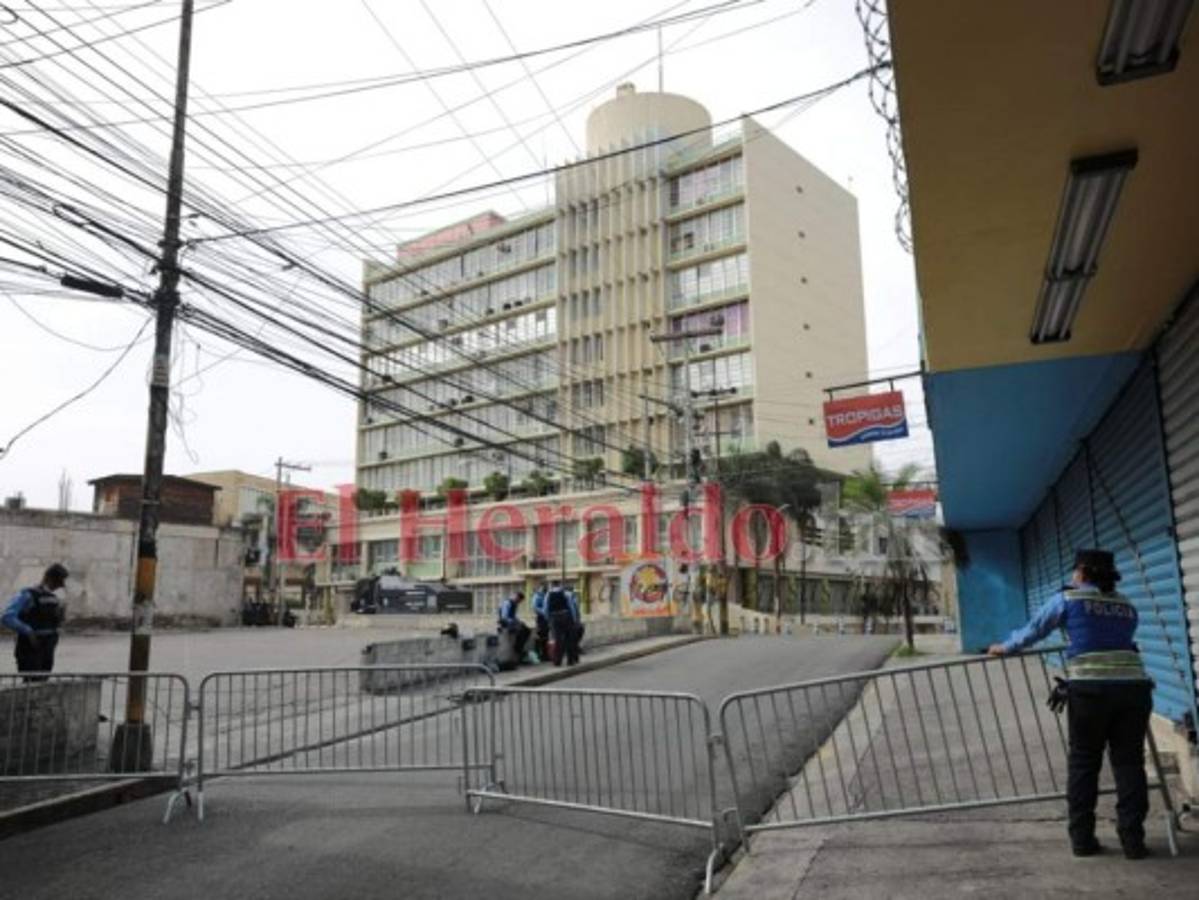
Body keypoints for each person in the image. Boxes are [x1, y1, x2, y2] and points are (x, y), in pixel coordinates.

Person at [988, 549, 1153, 860]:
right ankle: (1133, 842)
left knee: (1084, 763)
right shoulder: (1126, 604)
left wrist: (1005, 647)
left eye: (1075, 570)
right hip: (1134, 689)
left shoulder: (1068, 599)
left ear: (1082, 572)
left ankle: (1082, 840)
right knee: (1130, 764)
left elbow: (1035, 629)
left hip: (1090, 691)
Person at [3, 563, 69, 681]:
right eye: (58, 582)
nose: (60, 586)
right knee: (30, 684)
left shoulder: (54, 599)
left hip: (47, 650)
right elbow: (7, 617)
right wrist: (28, 631)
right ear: (49, 578)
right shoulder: (28, 595)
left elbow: (55, 623)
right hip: (30, 649)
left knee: (41, 683)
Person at [545, 581, 582, 667]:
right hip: (566, 616)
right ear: (560, 585)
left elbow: (545, 608)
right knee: (569, 639)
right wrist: (574, 620)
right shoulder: (566, 594)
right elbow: (571, 607)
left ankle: (557, 661)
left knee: (558, 640)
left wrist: (548, 619)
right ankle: (570, 660)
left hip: (554, 618)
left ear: (552, 585)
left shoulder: (548, 595)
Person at [496, 590, 531, 661]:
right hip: (505, 622)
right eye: (519, 600)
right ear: (516, 597)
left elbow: (513, 616)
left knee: (527, 630)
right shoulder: (507, 603)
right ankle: (518, 649)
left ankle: (519, 647)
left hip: (511, 622)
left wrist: (518, 621)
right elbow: (505, 617)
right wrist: (515, 622)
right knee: (520, 630)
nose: (519, 602)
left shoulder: (515, 604)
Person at [531, 582, 550, 662]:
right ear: (540, 588)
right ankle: (539, 654)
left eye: (546, 587)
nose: (545, 589)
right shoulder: (537, 596)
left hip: (546, 618)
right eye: (543, 587)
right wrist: (544, 612)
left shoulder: (546, 595)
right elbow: (535, 607)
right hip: (541, 618)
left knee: (545, 637)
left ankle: (545, 655)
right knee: (540, 636)